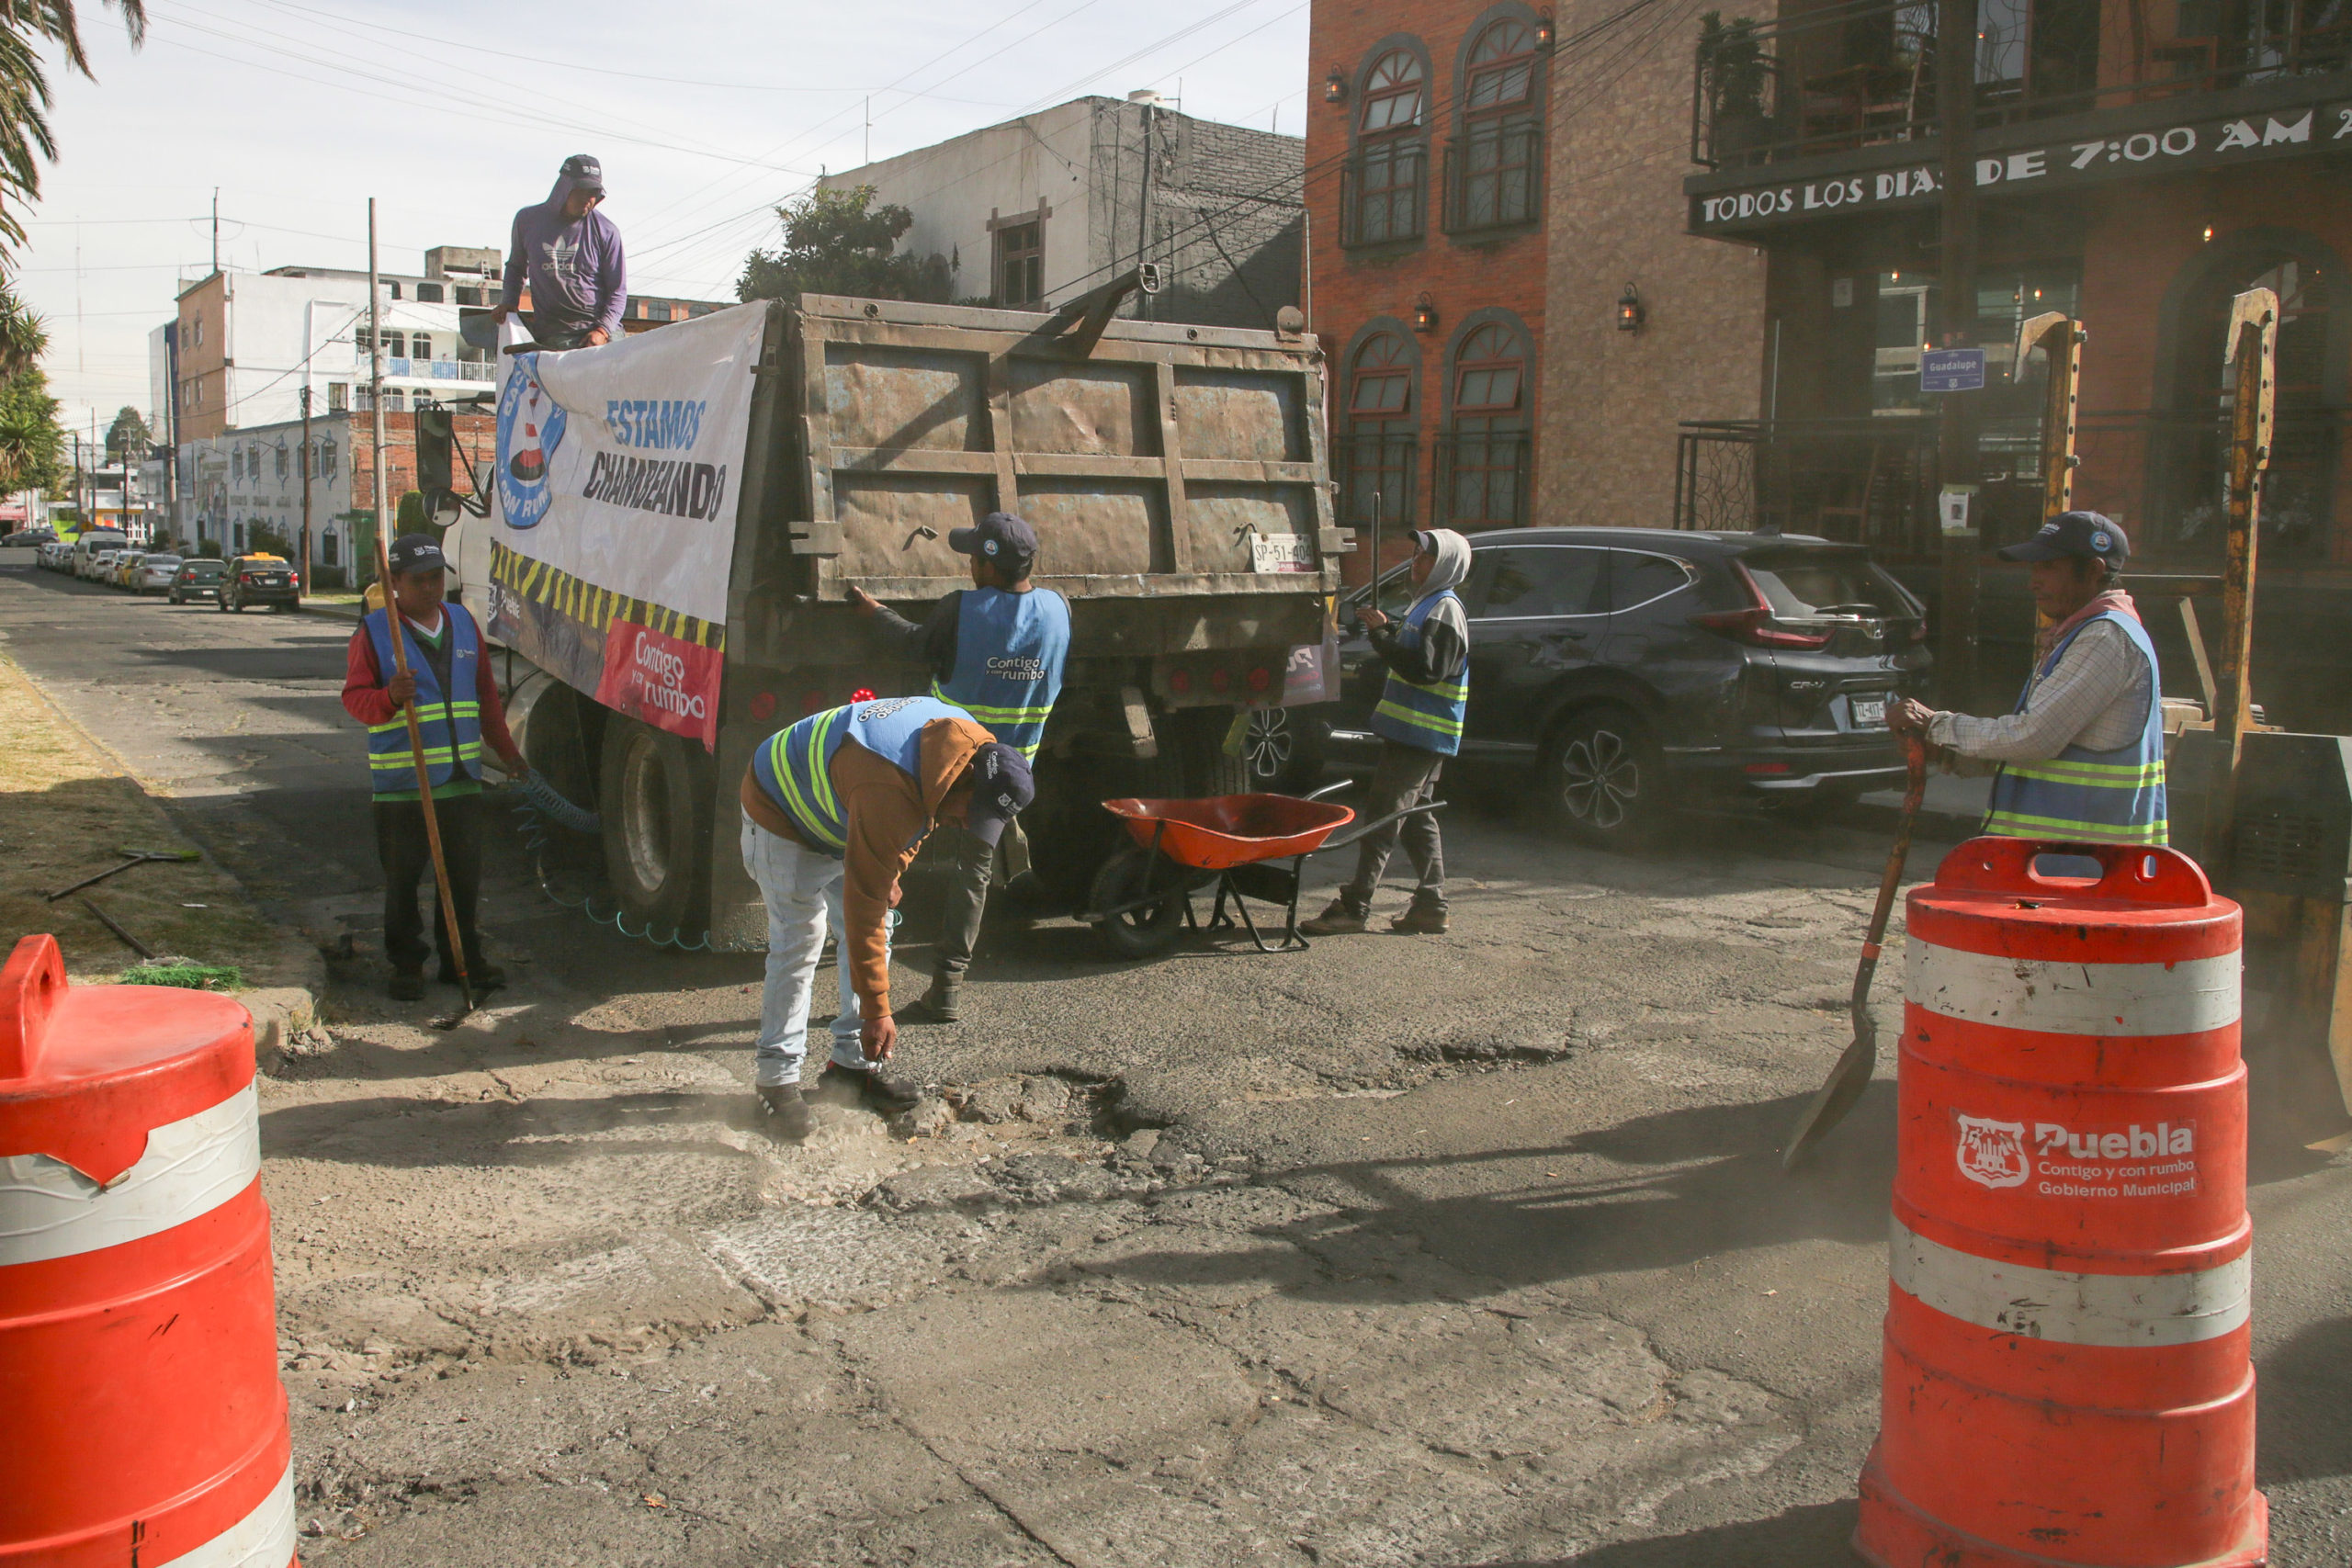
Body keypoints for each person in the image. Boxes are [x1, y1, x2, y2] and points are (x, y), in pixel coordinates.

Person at [741, 694, 1035, 1140]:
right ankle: (775, 1082)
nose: (964, 824)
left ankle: (852, 1068)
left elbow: (927, 812)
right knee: (802, 940)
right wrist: (879, 1010)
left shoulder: (965, 746)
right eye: (970, 813)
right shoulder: (888, 789)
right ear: (965, 778)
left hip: (847, 809)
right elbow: (863, 913)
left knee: (882, 923)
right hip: (782, 809)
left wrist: (890, 866)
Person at [846, 511, 1069, 1023]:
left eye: (973, 556)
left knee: (892, 849)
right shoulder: (1059, 610)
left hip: (945, 763)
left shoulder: (962, 609)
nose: (969, 564)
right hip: (1011, 770)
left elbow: (914, 645)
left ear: (988, 566)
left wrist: (874, 612)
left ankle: (861, 985)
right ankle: (944, 989)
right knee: (974, 871)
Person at [1889, 511, 2165, 845]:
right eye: (2034, 567)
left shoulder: (2104, 638)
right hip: (2062, 861)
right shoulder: (2078, 634)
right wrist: (1951, 754)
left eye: (2048, 567)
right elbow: (2050, 753)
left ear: (2093, 571)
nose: (2034, 581)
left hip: (2087, 867)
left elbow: (2034, 737)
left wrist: (1936, 724)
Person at [340, 535, 527, 999]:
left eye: (436, 578)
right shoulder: (375, 633)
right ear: (394, 583)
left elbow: (486, 697)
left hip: (461, 782)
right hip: (404, 785)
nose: (430, 588)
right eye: (418, 581)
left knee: (463, 882)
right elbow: (354, 700)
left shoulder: (463, 623)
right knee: (403, 882)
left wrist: (509, 755)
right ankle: (406, 965)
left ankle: (463, 960)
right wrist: (387, 698)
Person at [1303, 528, 1470, 936]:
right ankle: (1432, 905)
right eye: (1414, 554)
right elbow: (1416, 657)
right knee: (1417, 817)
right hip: (1413, 732)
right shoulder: (1425, 605)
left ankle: (1354, 906)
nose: (1416, 563)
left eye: (1425, 557)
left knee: (1382, 816)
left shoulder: (1444, 609)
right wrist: (1386, 631)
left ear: (1446, 564)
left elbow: (1427, 670)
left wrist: (1380, 634)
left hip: (1421, 735)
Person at [490, 153, 625, 351]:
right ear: (564, 188)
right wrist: (509, 301)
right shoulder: (528, 221)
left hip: (602, 330)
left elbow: (618, 291)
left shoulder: (607, 231)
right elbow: (516, 267)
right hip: (556, 332)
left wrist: (603, 330)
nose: (588, 199)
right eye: (581, 192)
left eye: (593, 193)